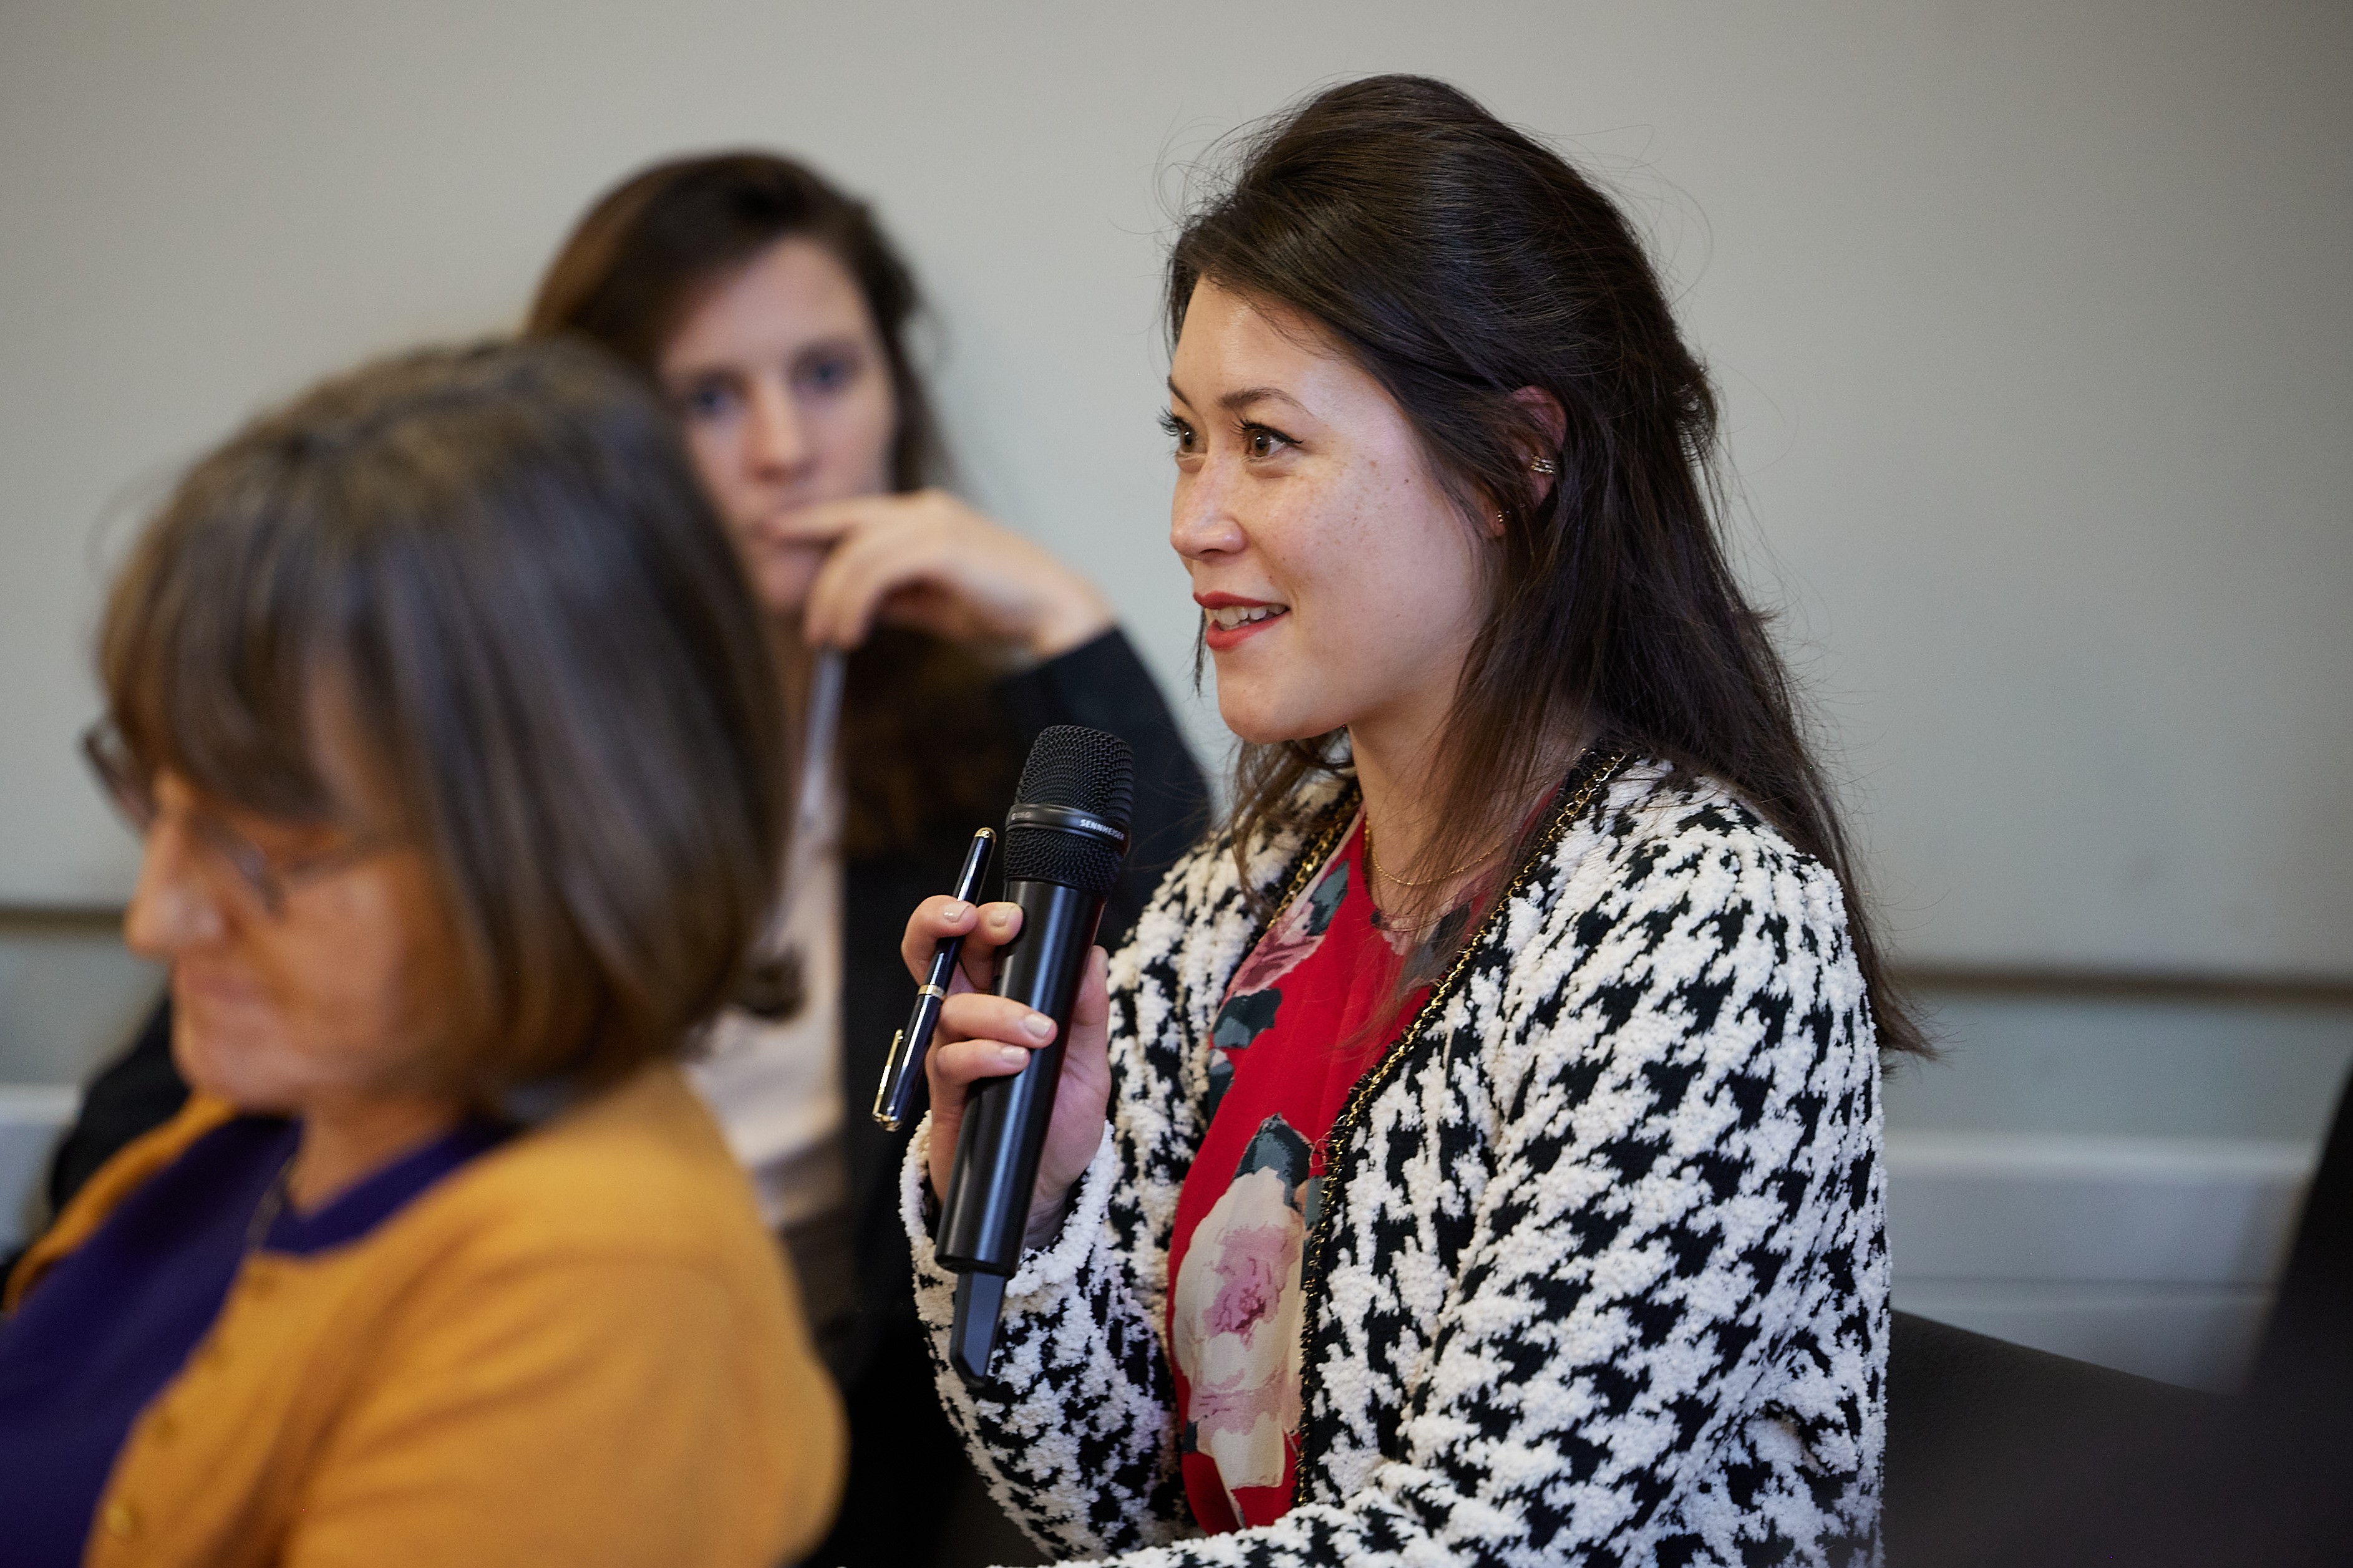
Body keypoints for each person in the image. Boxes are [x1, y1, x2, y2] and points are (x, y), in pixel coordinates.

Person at [29, 150, 1207, 1564]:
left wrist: (1060, 622)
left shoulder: (958, 759)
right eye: (708, 397)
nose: (784, 446)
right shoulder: (443, 751)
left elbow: (1167, 963)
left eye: (827, 375)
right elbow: (149, 1129)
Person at [900, 75, 1921, 1565]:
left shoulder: (1706, 925)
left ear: (1514, 461)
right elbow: (1105, 1513)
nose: (1192, 514)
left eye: (1265, 442)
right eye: (1186, 436)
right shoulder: (1234, 903)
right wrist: (1035, 1197)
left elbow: (1486, 1544)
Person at [0, 340, 842, 1564]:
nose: (157, 919)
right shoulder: (285, 1118)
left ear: (556, 832)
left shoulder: (602, 1283)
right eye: (162, 803)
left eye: (260, 847)